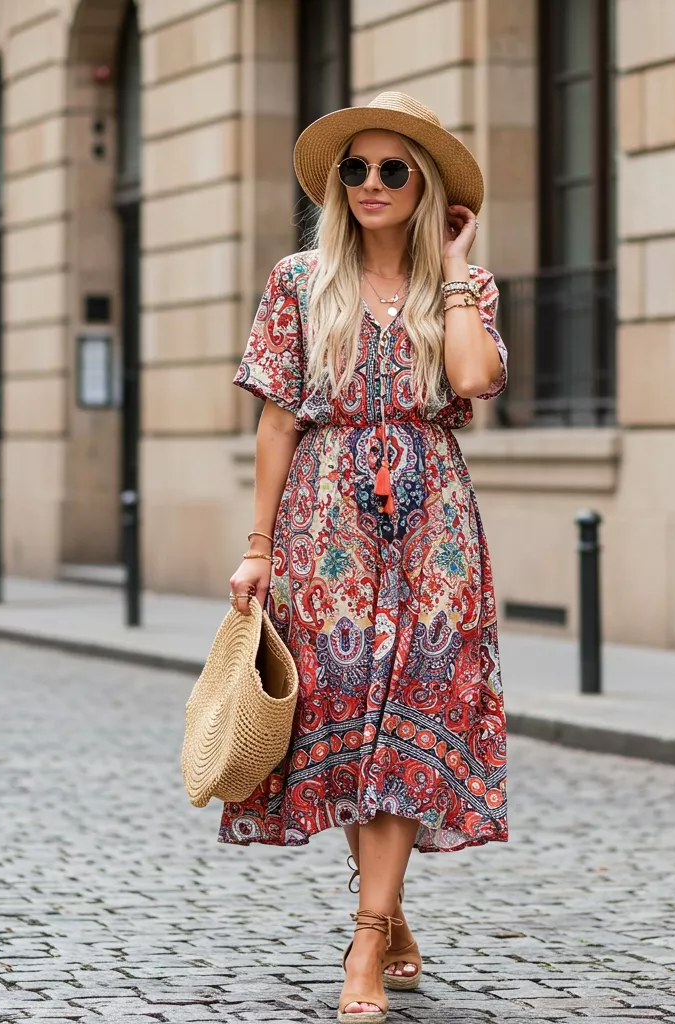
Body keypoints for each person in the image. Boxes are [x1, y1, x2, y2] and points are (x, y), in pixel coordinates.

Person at [221, 92, 508, 1024]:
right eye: (356, 169)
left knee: (413, 716)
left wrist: (453, 268)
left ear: (425, 186)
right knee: (350, 727)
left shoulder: (464, 286)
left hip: (436, 536)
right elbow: (277, 421)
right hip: (327, 530)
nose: (371, 184)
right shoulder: (298, 281)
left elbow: (473, 379)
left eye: (393, 169)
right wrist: (259, 549)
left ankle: (367, 937)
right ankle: (386, 913)